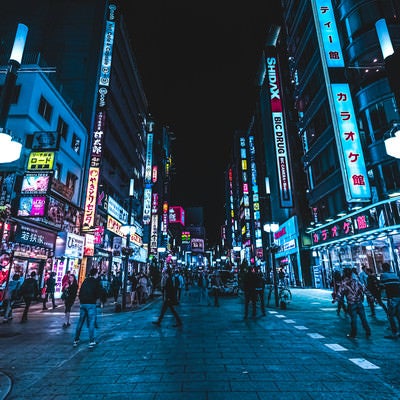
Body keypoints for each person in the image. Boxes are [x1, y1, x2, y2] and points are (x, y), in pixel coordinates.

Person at [336, 267, 371, 339]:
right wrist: (371, 297)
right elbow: (364, 289)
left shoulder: (344, 283)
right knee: (363, 318)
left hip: (351, 303)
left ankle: (353, 334)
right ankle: (368, 331)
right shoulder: (356, 281)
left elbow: (339, 293)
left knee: (353, 319)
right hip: (359, 302)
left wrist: (336, 299)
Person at [73, 268, 103, 348]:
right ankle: (91, 341)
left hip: (83, 303)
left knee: (80, 322)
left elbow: (81, 291)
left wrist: (81, 300)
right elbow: (98, 292)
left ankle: (76, 340)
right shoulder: (96, 282)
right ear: (96, 274)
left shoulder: (85, 281)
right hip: (91, 304)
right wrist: (98, 299)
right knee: (91, 322)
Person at [379, 262, 400, 339]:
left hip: (391, 297)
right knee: (398, 315)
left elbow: (381, 286)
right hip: (398, 296)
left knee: (390, 315)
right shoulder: (394, 274)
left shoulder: (383, 275)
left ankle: (394, 333)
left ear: (383, 268)